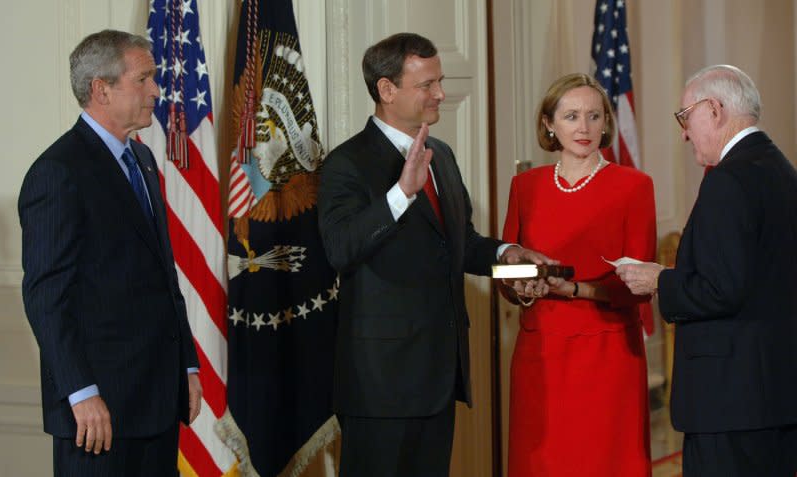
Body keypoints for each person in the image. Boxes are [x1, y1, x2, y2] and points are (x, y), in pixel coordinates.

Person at [317, 32, 547, 477]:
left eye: (439, 82)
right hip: (380, 384)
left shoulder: (440, 154)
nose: (440, 94)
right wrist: (402, 193)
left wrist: (508, 254)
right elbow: (340, 249)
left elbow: (460, 244)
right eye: (427, 85)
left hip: (440, 376)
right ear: (386, 90)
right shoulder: (347, 162)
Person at [18, 30, 201, 477]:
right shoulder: (57, 172)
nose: (156, 90)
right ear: (101, 88)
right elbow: (47, 298)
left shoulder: (141, 161)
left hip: (156, 401)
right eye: (144, 79)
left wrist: (188, 365)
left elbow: (163, 276)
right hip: (96, 414)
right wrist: (80, 393)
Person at [617, 65, 797, 477]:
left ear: (713, 109)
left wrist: (657, 279)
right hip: (774, 397)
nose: (683, 132)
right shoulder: (780, 171)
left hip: (730, 403)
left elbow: (722, 289)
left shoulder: (728, 181)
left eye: (685, 117)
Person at [500, 73, 656, 476]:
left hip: (607, 357)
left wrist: (572, 288)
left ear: (607, 122)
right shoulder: (525, 186)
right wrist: (523, 288)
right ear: (549, 124)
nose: (583, 128)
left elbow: (639, 286)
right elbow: (505, 271)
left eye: (593, 116)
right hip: (540, 357)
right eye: (571, 116)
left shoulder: (633, 186)